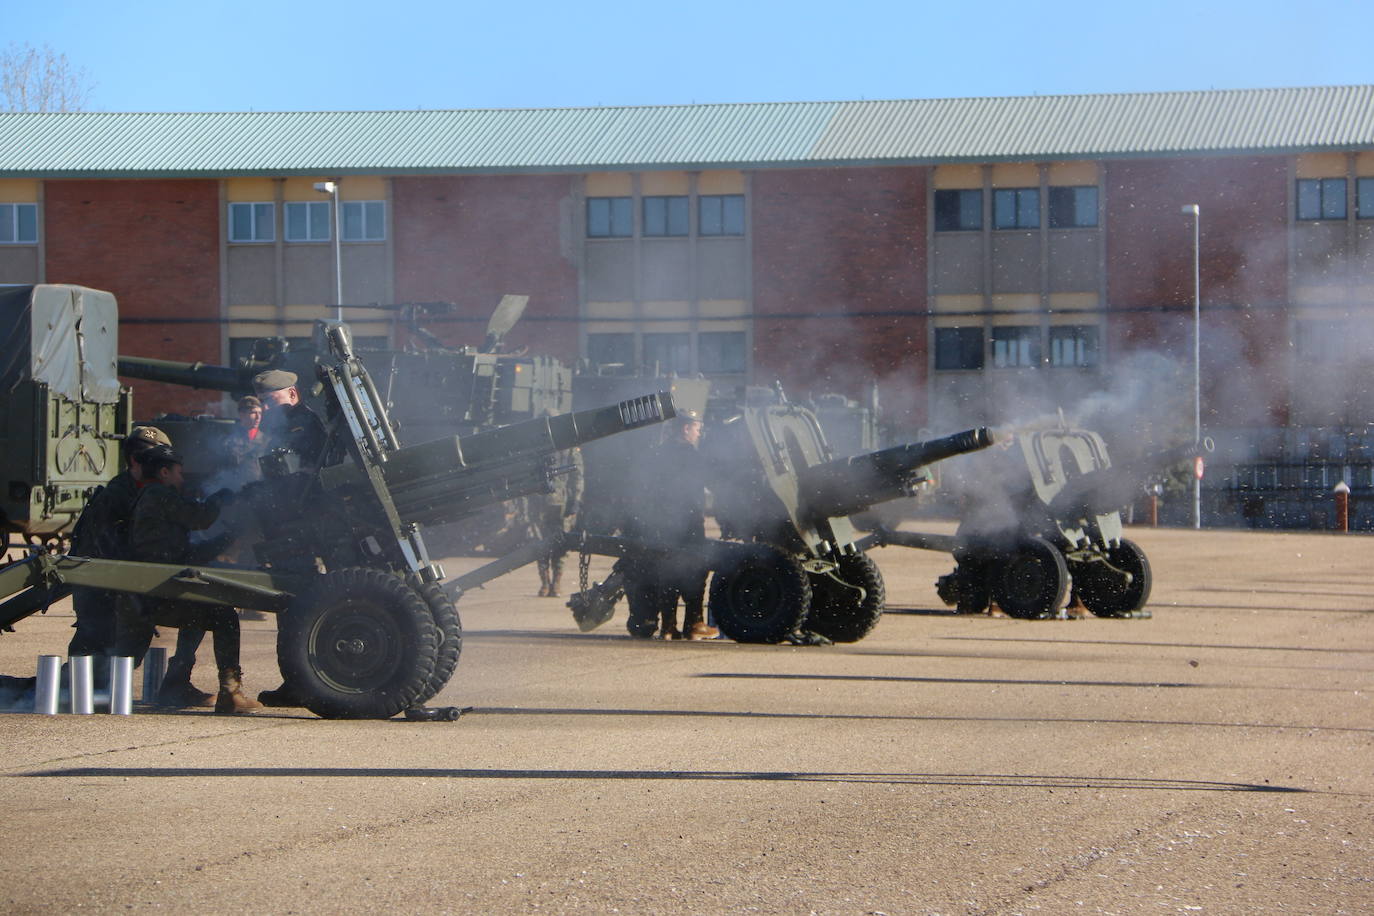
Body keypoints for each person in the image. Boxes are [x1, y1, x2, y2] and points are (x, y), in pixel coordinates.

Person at [111, 446, 260, 714]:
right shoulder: (158, 494)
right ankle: (230, 692)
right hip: (156, 590)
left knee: (199, 612)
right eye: (179, 473)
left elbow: (184, 552)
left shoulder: (149, 496)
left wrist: (226, 538)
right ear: (164, 472)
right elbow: (199, 518)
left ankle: (176, 683)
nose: (182, 479)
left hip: (152, 587)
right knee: (224, 616)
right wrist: (219, 499)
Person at [67, 426, 171, 670]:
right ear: (136, 460)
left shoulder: (147, 491)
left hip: (122, 587)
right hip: (101, 587)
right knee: (92, 653)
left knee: (125, 654)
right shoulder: (117, 495)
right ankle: (37, 693)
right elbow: (105, 547)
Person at [627, 409, 718, 641]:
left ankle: (668, 627)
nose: (699, 433)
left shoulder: (657, 454)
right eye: (697, 428)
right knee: (695, 571)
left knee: (667, 572)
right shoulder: (692, 455)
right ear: (686, 428)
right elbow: (710, 482)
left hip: (663, 524)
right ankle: (694, 623)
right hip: (688, 523)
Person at [528, 443, 584, 598]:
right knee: (541, 544)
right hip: (540, 504)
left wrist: (576, 500)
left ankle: (556, 583)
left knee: (560, 545)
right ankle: (545, 583)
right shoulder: (536, 449)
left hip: (562, 504)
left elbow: (577, 475)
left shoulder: (570, 449)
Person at [252, 369, 327, 469]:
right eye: (262, 401)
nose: (265, 407)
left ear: (292, 394)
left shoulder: (305, 422)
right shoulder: (278, 426)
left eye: (270, 400)